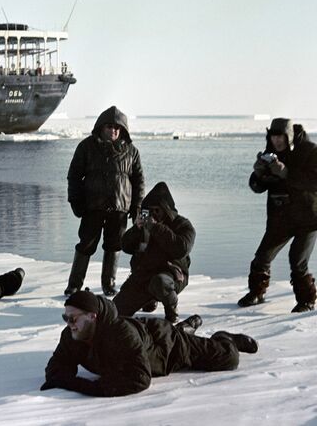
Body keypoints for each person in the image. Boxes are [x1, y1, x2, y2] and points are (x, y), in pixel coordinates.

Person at [41, 290, 258, 397]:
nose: (69, 324)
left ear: (92, 316)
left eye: (73, 318)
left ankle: (226, 337)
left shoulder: (120, 334)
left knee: (228, 358)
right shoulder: (72, 334)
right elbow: (56, 368)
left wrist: (78, 384)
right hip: (143, 338)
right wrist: (63, 377)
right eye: (65, 318)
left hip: (168, 346)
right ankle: (187, 327)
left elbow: (139, 379)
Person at [238, 118, 317, 312]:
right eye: (273, 136)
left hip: (309, 218)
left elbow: (313, 182)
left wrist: (287, 173)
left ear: (289, 135)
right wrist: (257, 175)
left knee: (297, 260)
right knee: (262, 258)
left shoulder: (309, 151)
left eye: (280, 136)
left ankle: (307, 301)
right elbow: (257, 187)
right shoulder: (269, 153)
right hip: (281, 218)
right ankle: (257, 292)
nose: (277, 141)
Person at [66, 106, 145, 297]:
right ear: (101, 127)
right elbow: (74, 176)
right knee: (86, 245)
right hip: (92, 207)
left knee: (114, 245)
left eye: (117, 128)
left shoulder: (131, 151)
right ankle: (74, 285)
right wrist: (75, 201)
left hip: (119, 208)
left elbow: (139, 181)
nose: (114, 131)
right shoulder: (86, 147)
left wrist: (136, 207)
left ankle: (109, 284)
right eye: (109, 127)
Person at [113, 182, 195, 322]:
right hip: (143, 275)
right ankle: (148, 300)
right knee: (116, 310)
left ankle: (171, 309)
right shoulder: (144, 226)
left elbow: (181, 249)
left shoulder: (182, 225)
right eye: (149, 211)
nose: (153, 214)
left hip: (171, 275)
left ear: (166, 209)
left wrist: (156, 228)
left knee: (160, 282)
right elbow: (125, 246)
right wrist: (136, 229)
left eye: (157, 210)